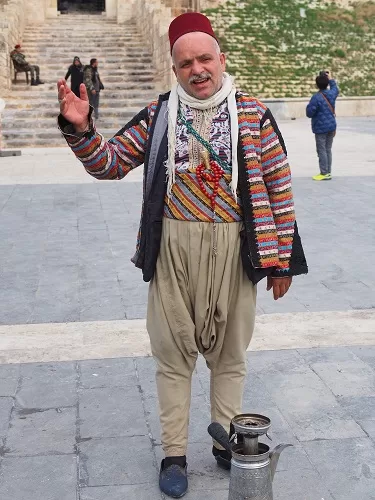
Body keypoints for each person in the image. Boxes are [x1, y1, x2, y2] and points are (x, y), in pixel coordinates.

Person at [57, 13, 307, 499]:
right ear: (174, 68)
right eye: (186, 62)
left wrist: (280, 260)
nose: (197, 69)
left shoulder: (253, 114)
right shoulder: (159, 115)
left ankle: (224, 437)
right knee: (172, 355)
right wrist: (82, 130)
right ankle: (174, 452)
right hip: (173, 248)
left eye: (205, 58)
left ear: (222, 59)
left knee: (230, 352)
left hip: (235, 248)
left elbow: (278, 185)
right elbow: (109, 165)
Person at [306, 71, 339, 181]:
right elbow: (336, 89)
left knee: (322, 150)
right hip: (331, 126)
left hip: (320, 128)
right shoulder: (332, 93)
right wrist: (330, 78)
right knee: (328, 149)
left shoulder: (316, 98)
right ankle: (328, 172)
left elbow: (309, 113)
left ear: (317, 85)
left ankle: (324, 172)